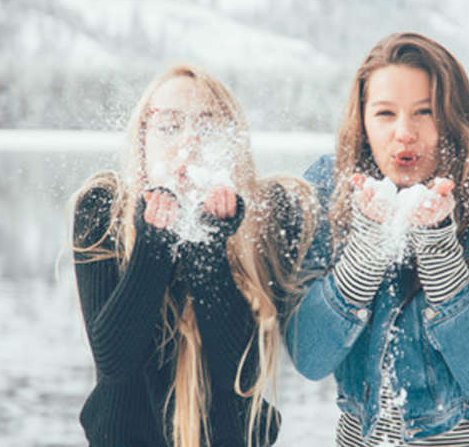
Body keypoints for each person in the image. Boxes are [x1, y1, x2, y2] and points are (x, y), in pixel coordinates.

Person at [284, 32, 469, 446]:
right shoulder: (330, 187)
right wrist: (368, 247)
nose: (404, 133)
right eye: (385, 113)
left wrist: (437, 242)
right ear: (363, 120)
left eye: (425, 112)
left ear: (454, 116)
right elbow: (310, 358)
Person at [70, 64, 315, 447]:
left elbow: (241, 374)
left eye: (208, 129)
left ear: (232, 145)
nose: (189, 142)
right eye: (170, 126)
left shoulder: (266, 215)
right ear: (143, 140)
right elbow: (115, 363)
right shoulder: (104, 210)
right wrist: (154, 244)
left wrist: (207, 248)